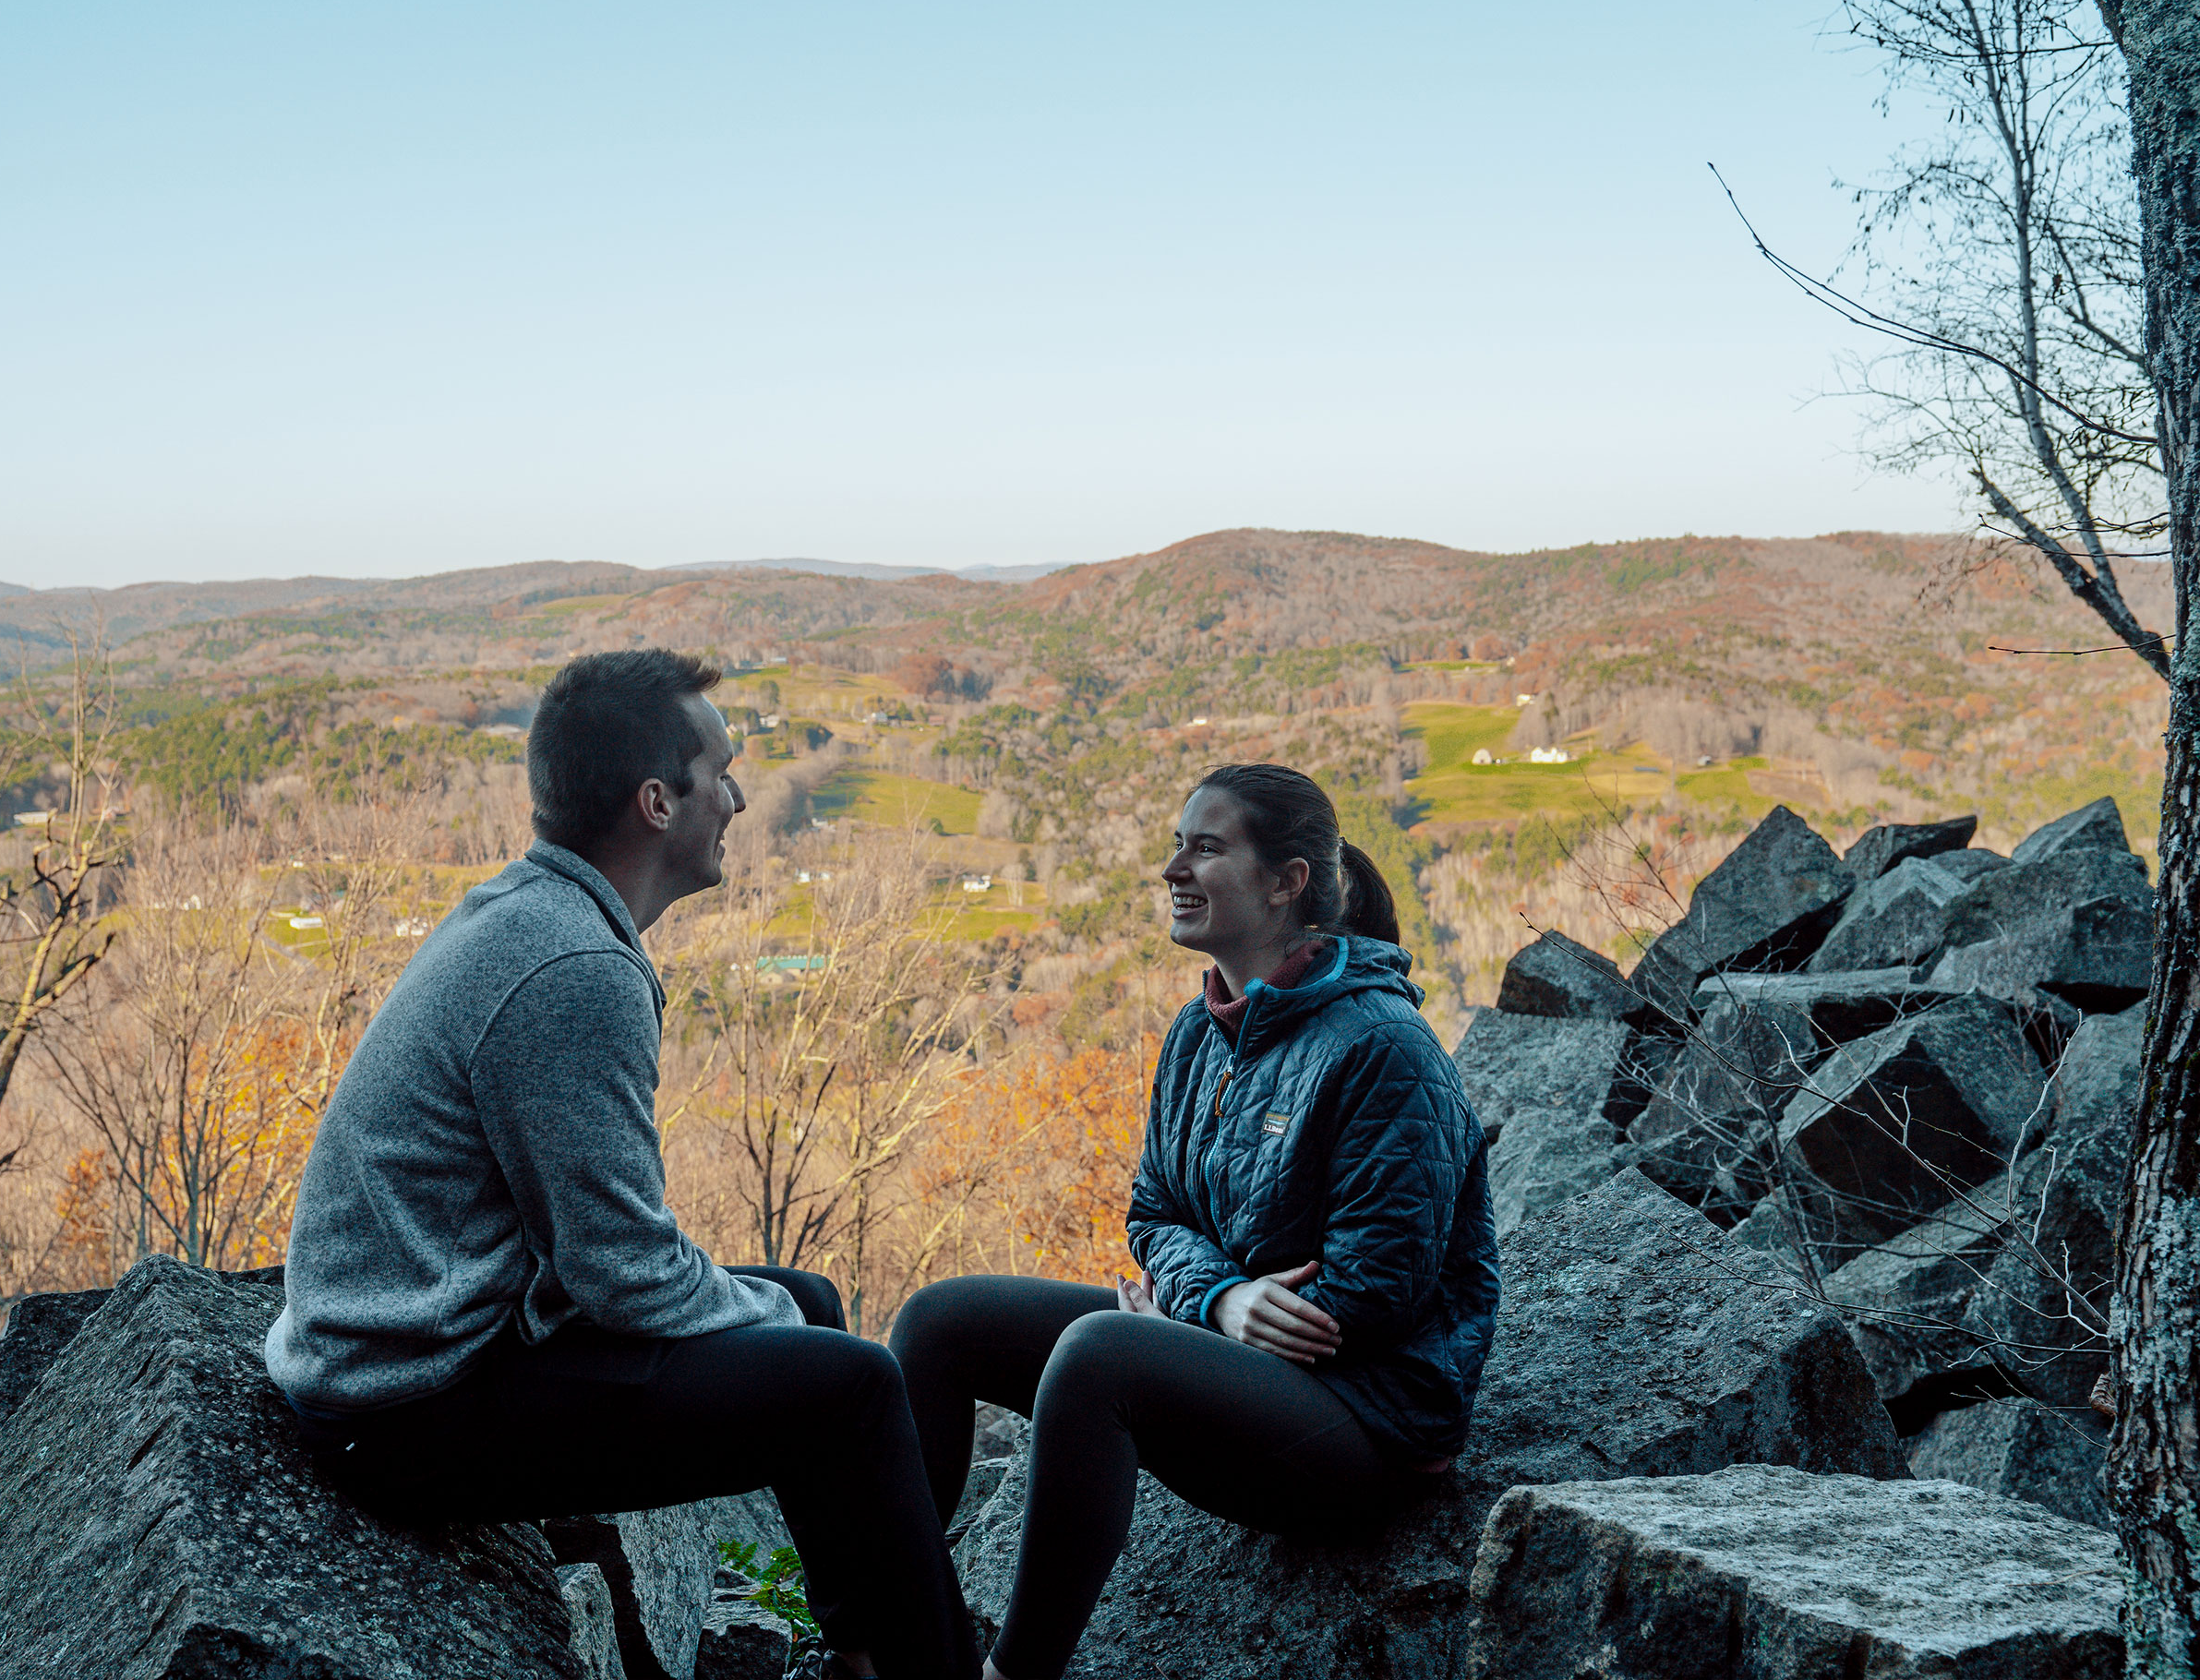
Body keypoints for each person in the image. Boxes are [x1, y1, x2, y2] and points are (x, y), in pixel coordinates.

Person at [267, 648, 978, 1680]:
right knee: (853, 1383)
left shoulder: (530, 911)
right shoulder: (576, 967)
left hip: (430, 1346)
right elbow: (619, 1269)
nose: (737, 798)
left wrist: (768, 1314)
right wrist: (763, 1324)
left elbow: (594, 1251)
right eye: (720, 774)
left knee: (811, 1301)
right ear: (657, 802)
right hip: (410, 1407)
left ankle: (864, 1654)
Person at [888, 763, 1497, 1680]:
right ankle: (892, 1651)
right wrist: (1214, 1302)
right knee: (940, 1322)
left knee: (1101, 1355)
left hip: (1363, 1423)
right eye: (1177, 844)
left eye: (1205, 848)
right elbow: (1155, 1211)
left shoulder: (1382, 1047)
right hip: (1227, 1354)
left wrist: (1203, 1322)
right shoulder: (1199, 1030)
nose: (1174, 867)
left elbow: (1375, 1294)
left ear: (1287, 882)